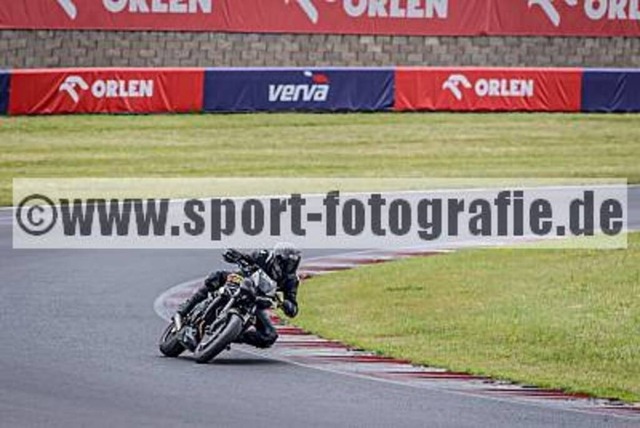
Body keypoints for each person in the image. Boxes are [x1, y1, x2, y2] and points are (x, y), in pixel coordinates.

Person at [174, 243, 302, 349]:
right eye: (288, 263)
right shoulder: (263, 255)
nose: (290, 267)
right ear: (277, 259)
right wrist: (236, 256)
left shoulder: (291, 280)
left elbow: (293, 305)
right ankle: (185, 308)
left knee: (270, 336)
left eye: (293, 264)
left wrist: (288, 306)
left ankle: (232, 335)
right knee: (215, 277)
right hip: (239, 281)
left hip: (257, 301)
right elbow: (247, 257)